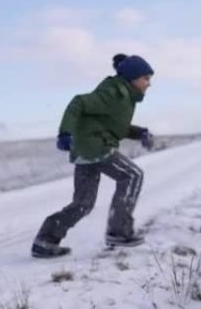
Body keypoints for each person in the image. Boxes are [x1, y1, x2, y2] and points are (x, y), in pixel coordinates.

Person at [31, 54, 156, 258]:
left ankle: (45, 240)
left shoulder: (124, 96)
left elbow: (115, 127)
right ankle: (119, 232)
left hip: (86, 151)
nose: (149, 84)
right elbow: (78, 102)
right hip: (95, 147)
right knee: (132, 175)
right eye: (146, 78)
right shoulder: (115, 92)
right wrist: (65, 133)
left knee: (83, 204)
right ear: (133, 78)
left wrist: (139, 132)